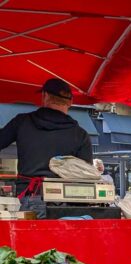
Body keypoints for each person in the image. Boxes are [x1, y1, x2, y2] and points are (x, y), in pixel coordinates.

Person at [0, 78, 93, 210]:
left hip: (28, 197)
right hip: (64, 203)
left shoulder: (22, 122)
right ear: (71, 102)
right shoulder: (81, 135)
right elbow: (86, 176)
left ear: (45, 96)